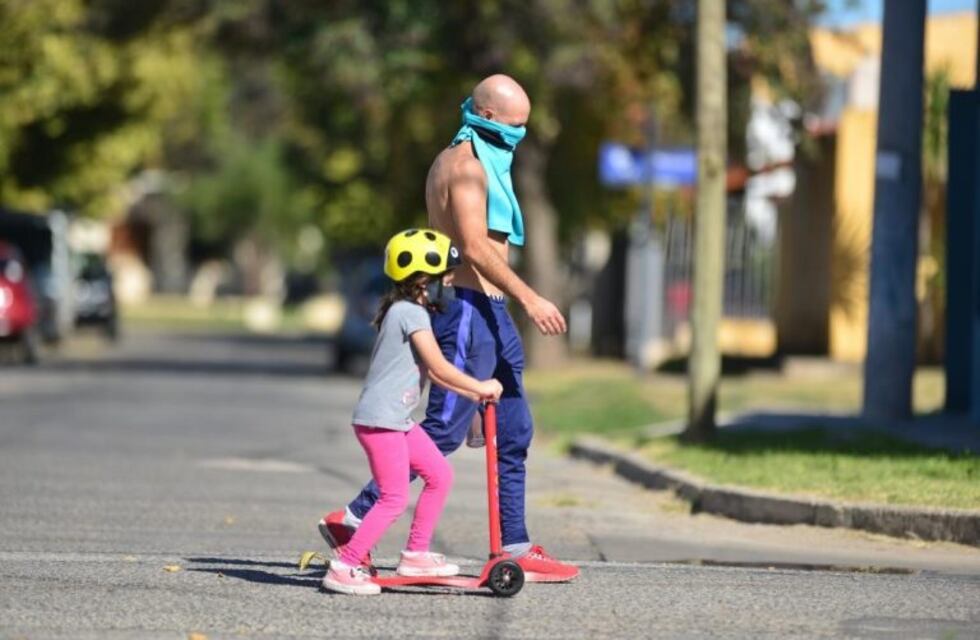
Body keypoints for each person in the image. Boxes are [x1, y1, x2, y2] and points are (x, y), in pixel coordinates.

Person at [320, 74, 579, 582]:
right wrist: (531, 298)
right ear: (485, 117)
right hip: (465, 306)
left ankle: (516, 542)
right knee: (442, 429)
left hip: (491, 308)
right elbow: (476, 245)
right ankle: (353, 519)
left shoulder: (486, 163)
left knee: (514, 427)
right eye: (514, 128)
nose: (519, 138)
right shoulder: (463, 167)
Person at [321, 228, 504, 596]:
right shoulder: (410, 314)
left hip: (397, 420)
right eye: (446, 277)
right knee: (393, 498)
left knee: (439, 474)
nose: (450, 284)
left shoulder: (407, 310)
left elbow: (437, 374)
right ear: (423, 279)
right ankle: (346, 565)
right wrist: (480, 386)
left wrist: (472, 394)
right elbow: (437, 367)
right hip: (381, 422)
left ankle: (416, 553)